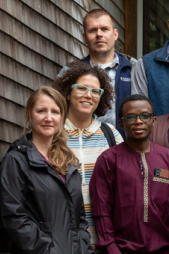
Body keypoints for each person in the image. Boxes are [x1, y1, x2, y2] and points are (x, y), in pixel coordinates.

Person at [0, 86, 94, 254]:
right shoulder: (17, 160)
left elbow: (79, 223)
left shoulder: (69, 164)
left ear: (62, 117)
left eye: (55, 112)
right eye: (41, 111)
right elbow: (15, 218)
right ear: (29, 114)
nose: (48, 118)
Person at [90, 94, 169, 254]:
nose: (138, 121)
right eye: (131, 117)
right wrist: (112, 250)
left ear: (153, 121)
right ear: (121, 123)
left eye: (145, 116)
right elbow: (101, 212)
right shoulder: (108, 160)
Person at [52, 61, 124, 246]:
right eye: (82, 88)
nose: (88, 95)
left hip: (104, 240)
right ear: (68, 92)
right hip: (62, 241)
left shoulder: (111, 135)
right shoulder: (52, 134)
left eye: (95, 91)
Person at [59, 9, 133, 129]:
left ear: (115, 34)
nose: (99, 34)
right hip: (81, 144)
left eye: (104, 29)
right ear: (85, 37)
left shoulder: (134, 68)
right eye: (93, 30)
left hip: (125, 145)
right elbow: (55, 108)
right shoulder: (70, 72)